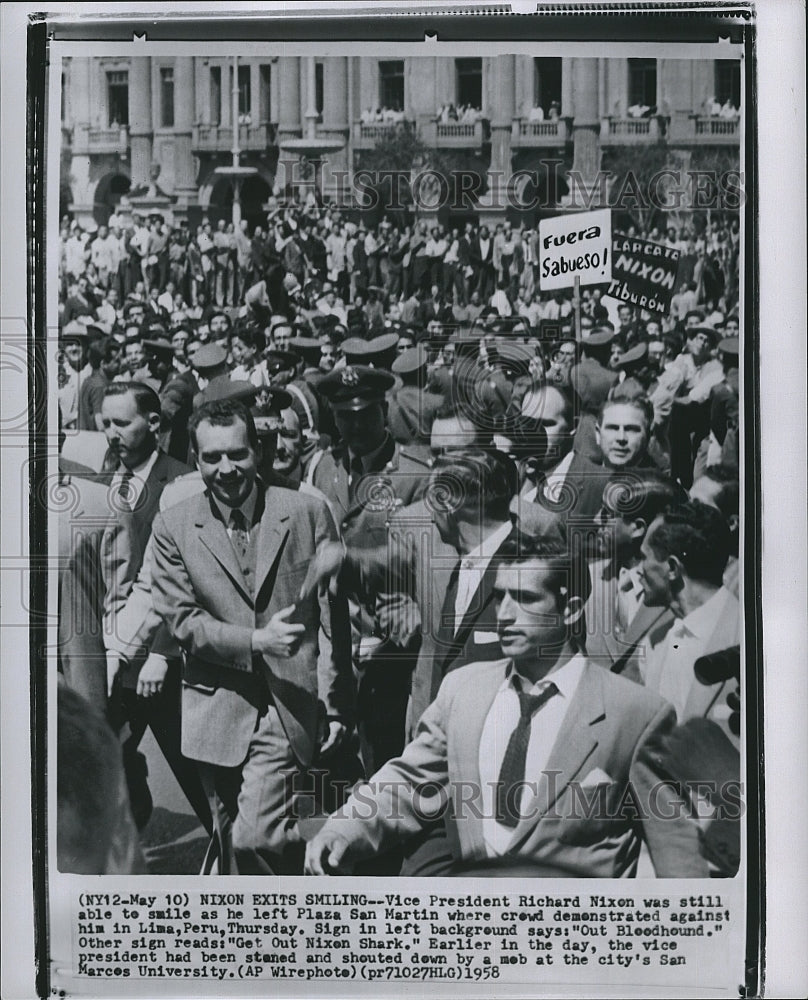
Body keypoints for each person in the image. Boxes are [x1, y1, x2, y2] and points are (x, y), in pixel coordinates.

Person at [305, 535, 707, 878]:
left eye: (527, 598)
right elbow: (408, 782)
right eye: (500, 597)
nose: (505, 615)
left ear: (572, 608)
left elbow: (676, 851)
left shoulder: (636, 712)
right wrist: (342, 829)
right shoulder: (464, 690)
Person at [150, 399, 354, 874]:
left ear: (257, 452)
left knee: (253, 834)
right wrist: (255, 641)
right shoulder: (173, 526)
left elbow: (331, 618)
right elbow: (183, 620)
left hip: (289, 702)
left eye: (237, 454)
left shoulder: (306, 511)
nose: (227, 469)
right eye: (212, 457)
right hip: (214, 709)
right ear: (196, 460)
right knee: (229, 837)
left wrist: (337, 703)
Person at [637, 500, 740, 723]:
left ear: (672, 568)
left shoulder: (748, 637)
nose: (638, 570)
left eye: (644, 557)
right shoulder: (655, 641)